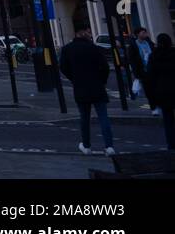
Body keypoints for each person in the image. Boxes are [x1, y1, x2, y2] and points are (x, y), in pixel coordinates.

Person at [59, 26, 117, 156]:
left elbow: (63, 67)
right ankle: (109, 146)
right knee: (103, 117)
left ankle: (86, 146)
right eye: (88, 32)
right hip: (97, 86)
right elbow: (105, 67)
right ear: (81, 33)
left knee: (84, 118)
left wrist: (74, 78)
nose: (90, 34)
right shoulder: (94, 48)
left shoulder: (68, 49)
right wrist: (102, 80)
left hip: (80, 87)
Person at [144, 33, 175, 150]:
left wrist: (152, 98)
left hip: (163, 92)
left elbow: (150, 78)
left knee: (168, 120)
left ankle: (171, 145)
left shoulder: (154, 56)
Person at [126, 27, 157, 116]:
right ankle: (153, 107)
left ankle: (157, 104)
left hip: (153, 69)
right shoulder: (133, 45)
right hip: (143, 70)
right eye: (143, 33)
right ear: (138, 34)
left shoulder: (149, 42)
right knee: (149, 90)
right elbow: (132, 60)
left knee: (157, 88)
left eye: (145, 32)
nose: (145, 34)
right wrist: (136, 73)